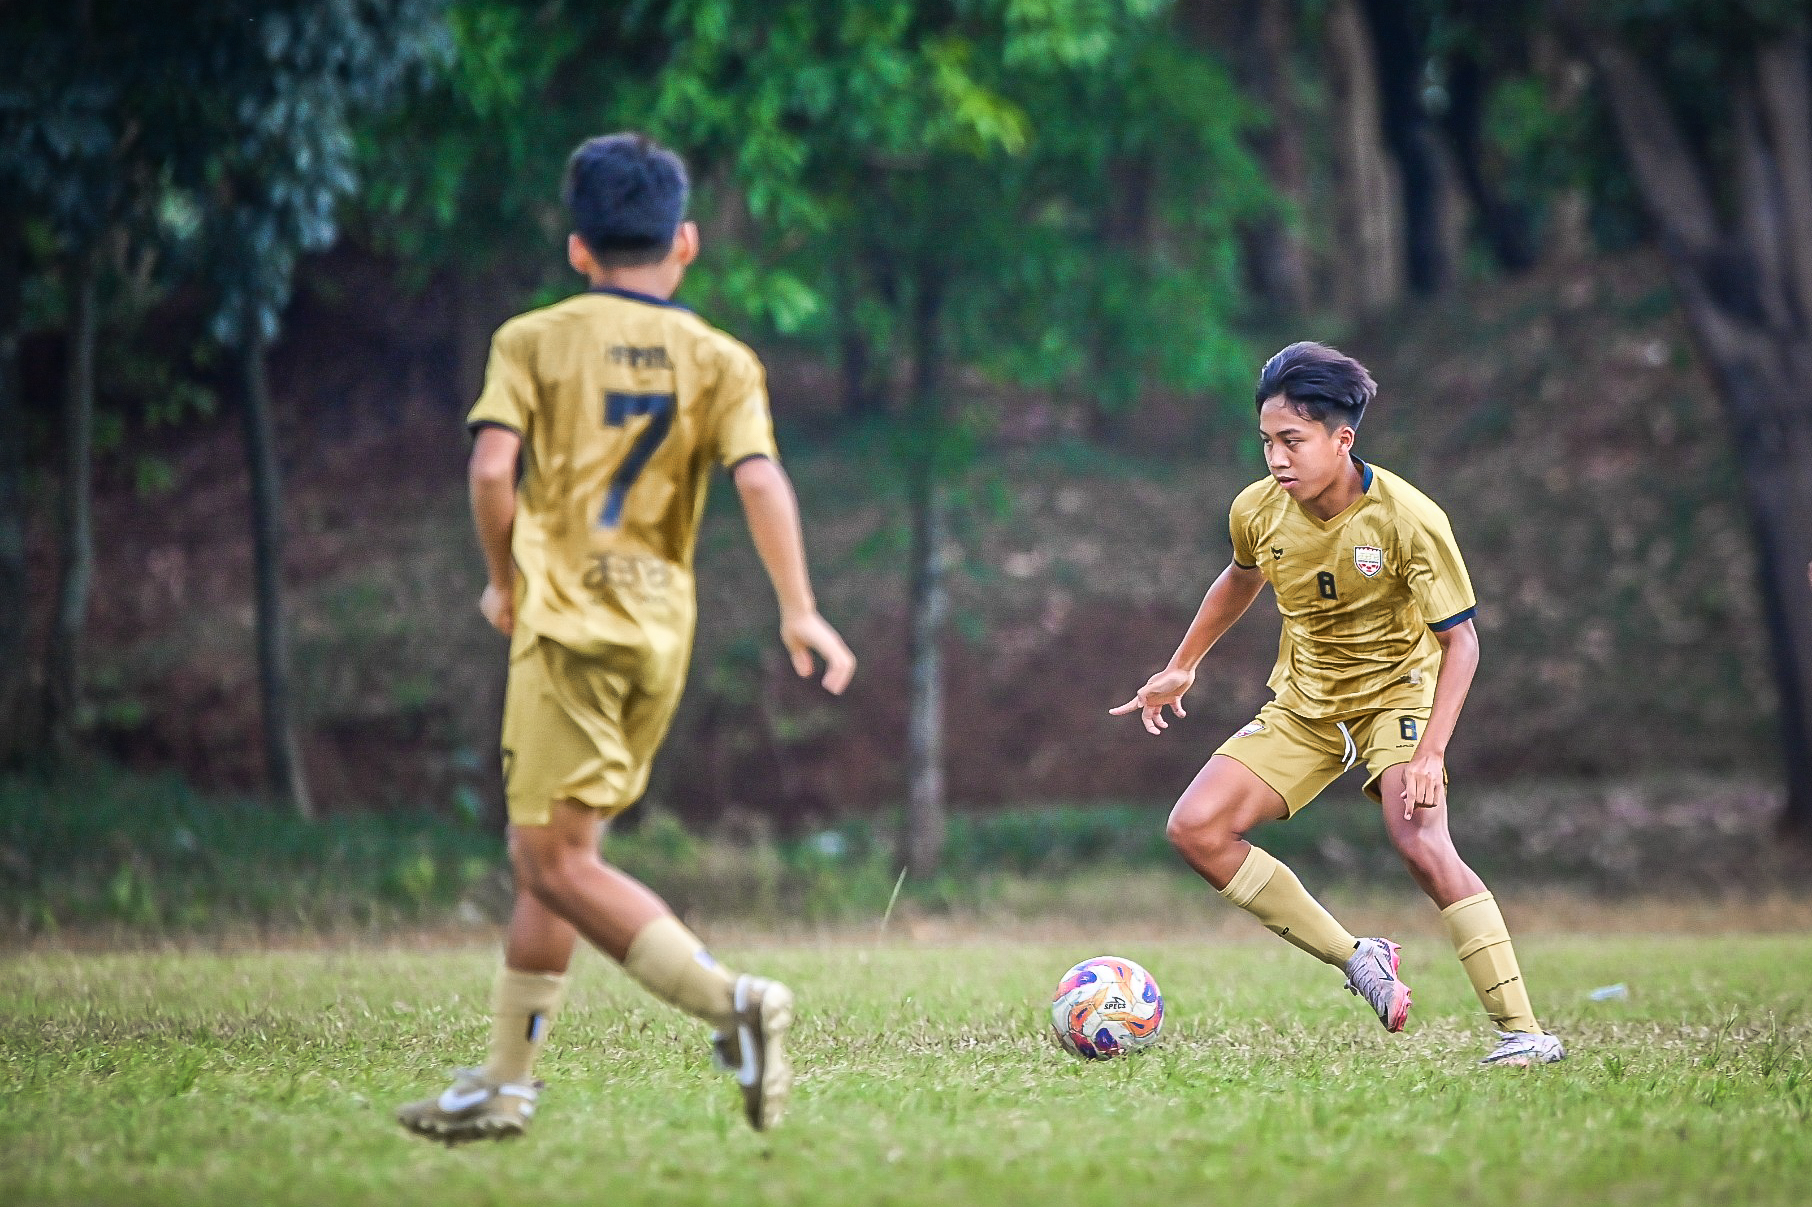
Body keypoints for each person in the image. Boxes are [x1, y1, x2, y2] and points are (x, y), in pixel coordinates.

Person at [398, 133, 857, 1142]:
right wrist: (799, 607)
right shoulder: (722, 357)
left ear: (577, 248)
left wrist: (505, 579)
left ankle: (734, 1004)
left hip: (569, 623)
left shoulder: (532, 337)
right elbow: (760, 479)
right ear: (684, 242)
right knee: (562, 851)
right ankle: (509, 1082)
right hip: (660, 629)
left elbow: (488, 472)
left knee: (552, 859)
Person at [1111, 341, 1563, 1067]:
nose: (1276, 458)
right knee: (1196, 828)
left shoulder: (1407, 518)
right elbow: (1239, 578)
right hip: (1306, 704)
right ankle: (1358, 957)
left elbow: (1465, 643)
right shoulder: (1258, 510)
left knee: (1418, 836)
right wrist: (1181, 665)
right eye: (1266, 442)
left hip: (1396, 697)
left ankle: (1525, 1032)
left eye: (1292, 440)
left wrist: (1431, 752)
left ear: (1341, 439)